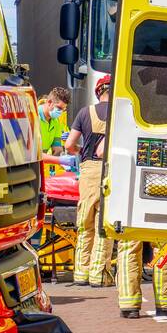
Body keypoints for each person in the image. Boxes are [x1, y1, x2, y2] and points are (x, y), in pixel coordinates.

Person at [64, 76, 113, 287]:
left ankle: (81, 273)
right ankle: (98, 273)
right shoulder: (119, 113)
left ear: (98, 91)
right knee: (104, 223)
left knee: (85, 222)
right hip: (112, 170)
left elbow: (69, 145)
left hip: (89, 170)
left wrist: (80, 151)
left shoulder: (85, 112)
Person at [38, 87, 75, 174]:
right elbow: (33, 154)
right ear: (49, 102)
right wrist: (59, 160)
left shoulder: (55, 121)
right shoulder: (33, 117)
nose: (60, 112)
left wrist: (63, 158)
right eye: (59, 108)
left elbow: (57, 149)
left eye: (63, 109)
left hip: (43, 168)